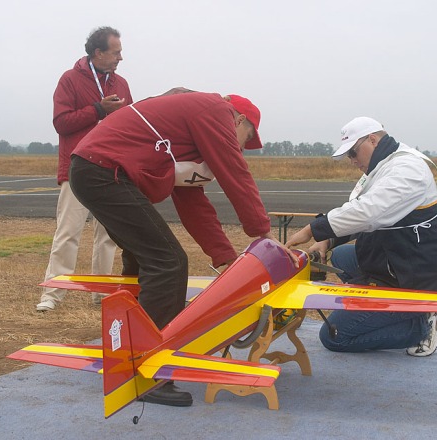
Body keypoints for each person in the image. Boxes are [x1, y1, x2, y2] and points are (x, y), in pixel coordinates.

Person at [68, 91, 298, 406]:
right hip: (105, 173)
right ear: (239, 120)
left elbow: (193, 205)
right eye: (248, 137)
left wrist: (226, 259)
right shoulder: (216, 110)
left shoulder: (186, 131)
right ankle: (149, 375)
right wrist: (263, 234)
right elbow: (235, 173)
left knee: (143, 260)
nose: (243, 147)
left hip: (92, 171)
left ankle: (125, 353)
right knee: (169, 263)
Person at [285, 117, 437, 357]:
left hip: (412, 279)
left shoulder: (408, 170)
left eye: (353, 152)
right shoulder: (384, 165)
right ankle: (378, 304)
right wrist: (328, 241)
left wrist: (312, 230)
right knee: (340, 256)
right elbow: (365, 213)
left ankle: (423, 324)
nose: (352, 160)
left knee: (334, 337)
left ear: (372, 140)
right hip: (394, 260)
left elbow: (369, 212)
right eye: (348, 156)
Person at [37, 26, 133, 312]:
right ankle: (52, 295)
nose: (120, 58)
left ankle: (101, 294)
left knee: (109, 236)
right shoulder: (69, 80)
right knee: (68, 233)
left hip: (112, 170)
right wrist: (99, 109)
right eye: (115, 52)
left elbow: (131, 125)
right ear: (98, 53)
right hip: (77, 169)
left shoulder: (121, 83)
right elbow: (61, 123)